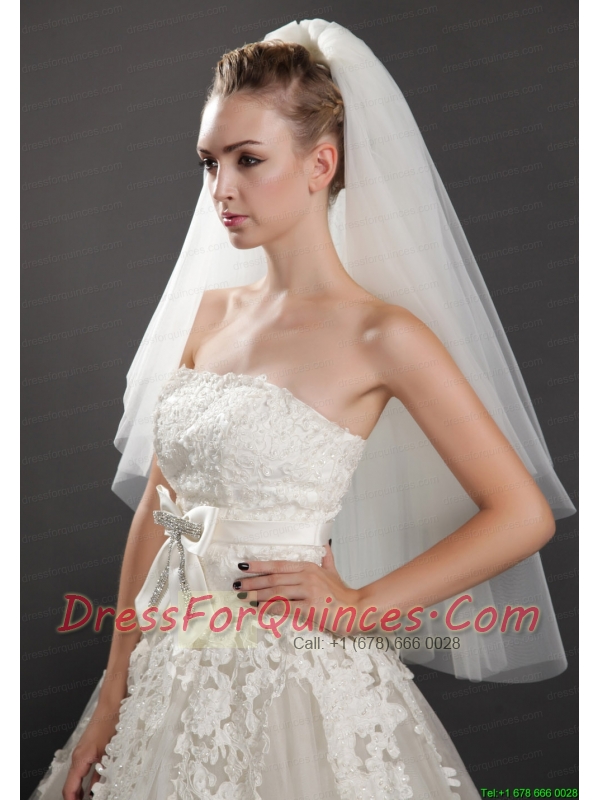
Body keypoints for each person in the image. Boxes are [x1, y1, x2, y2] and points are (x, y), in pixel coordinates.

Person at [30, 19, 576, 800]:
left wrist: (360, 607)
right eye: (210, 162)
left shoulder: (382, 335)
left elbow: (522, 514)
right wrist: (115, 692)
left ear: (321, 164)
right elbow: (161, 503)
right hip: (167, 668)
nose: (221, 189)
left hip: (292, 677)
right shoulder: (211, 314)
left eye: (248, 160)